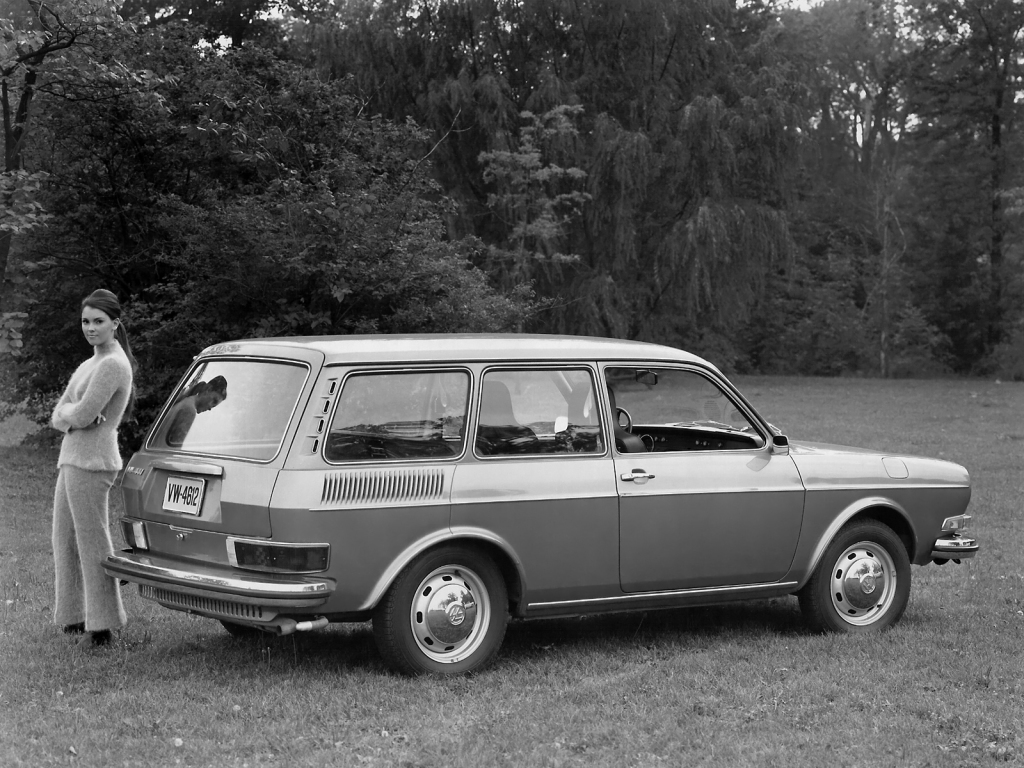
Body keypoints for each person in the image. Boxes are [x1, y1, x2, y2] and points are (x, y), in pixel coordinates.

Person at [49, 289, 137, 648]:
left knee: (92, 543)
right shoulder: (90, 363)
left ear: (115, 324)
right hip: (72, 457)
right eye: (86, 321)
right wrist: (73, 414)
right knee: (65, 540)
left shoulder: (114, 364)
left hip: (93, 461)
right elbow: (60, 414)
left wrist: (74, 413)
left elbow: (82, 414)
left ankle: (103, 626)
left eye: (98, 321)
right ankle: (73, 617)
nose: (90, 327)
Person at [162, 375, 227, 447]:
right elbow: (174, 449)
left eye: (214, 405)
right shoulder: (189, 410)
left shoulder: (186, 402)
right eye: (214, 401)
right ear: (208, 389)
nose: (210, 408)